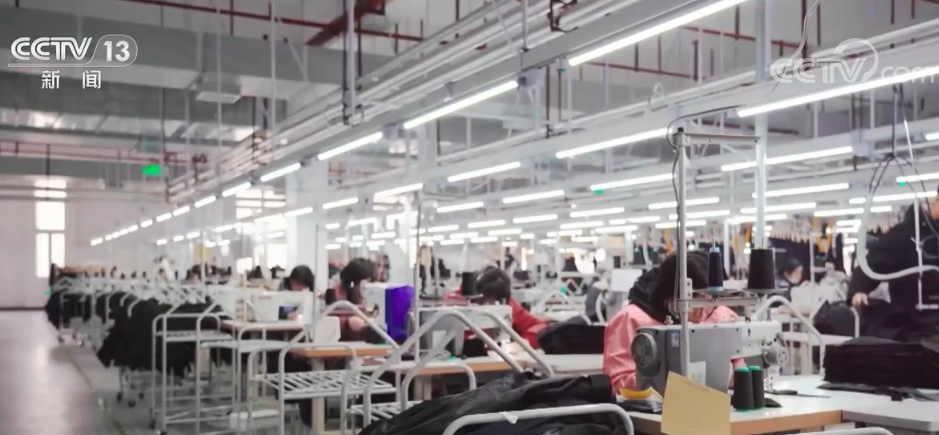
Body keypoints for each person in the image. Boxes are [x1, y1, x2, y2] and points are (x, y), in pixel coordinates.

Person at [603, 251, 744, 391]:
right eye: (696, 300)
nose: (703, 311)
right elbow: (618, 382)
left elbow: (739, 365)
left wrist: (731, 374)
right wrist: (672, 382)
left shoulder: (721, 315)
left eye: (710, 301)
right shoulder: (630, 319)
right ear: (672, 293)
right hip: (655, 405)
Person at [849, 198, 939, 311]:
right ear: (936, 201)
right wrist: (859, 290)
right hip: (912, 315)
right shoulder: (905, 234)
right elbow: (874, 263)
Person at [448, 267, 548, 350]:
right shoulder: (453, 304)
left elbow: (540, 327)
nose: (491, 303)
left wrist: (524, 343)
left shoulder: (506, 303)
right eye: (487, 299)